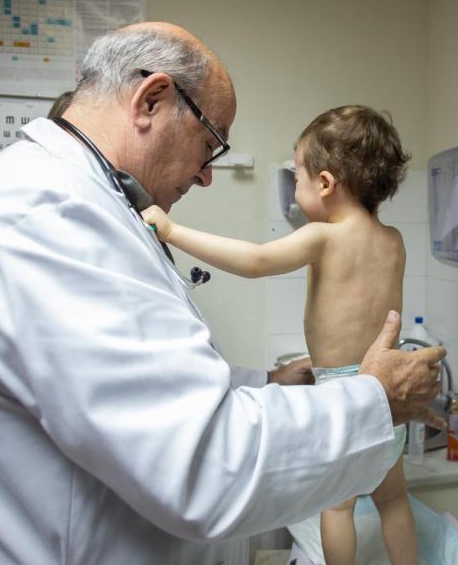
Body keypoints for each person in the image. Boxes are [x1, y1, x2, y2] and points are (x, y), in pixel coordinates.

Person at [0, 21, 445, 565]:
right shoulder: (48, 220)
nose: (205, 176)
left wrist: (264, 382)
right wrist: (376, 400)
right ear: (151, 100)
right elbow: (203, 470)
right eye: (211, 143)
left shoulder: (67, 207)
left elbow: (128, 387)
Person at [142, 105, 418, 565]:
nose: (296, 186)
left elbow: (254, 260)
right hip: (386, 387)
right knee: (394, 500)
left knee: (338, 504)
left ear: (326, 183)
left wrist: (171, 230)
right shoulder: (393, 240)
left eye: (297, 176)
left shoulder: (323, 237)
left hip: (346, 393)